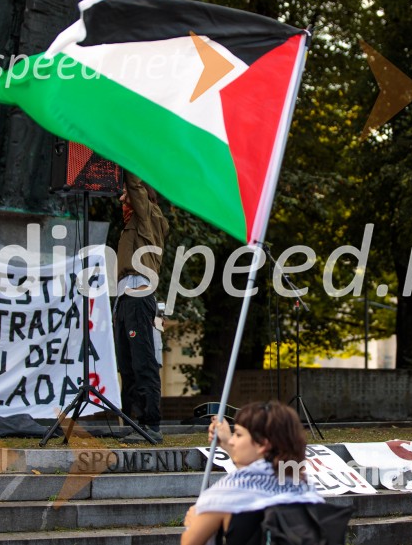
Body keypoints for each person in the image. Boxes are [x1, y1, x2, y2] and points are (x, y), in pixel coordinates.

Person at [181, 401, 323, 545]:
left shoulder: (228, 494)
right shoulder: (304, 487)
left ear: (262, 444)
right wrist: (226, 443)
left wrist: (195, 522)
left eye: (238, 434)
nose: (232, 441)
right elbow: (260, 472)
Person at [114, 170, 169, 443]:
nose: (122, 199)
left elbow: (135, 184)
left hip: (137, 297)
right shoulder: (135, 224)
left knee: (143, 362)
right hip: (126, 299)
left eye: (125, 194)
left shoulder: (147, 216)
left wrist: (128, 156)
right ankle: (133, 422)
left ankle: (151, 424)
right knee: (127, 365)